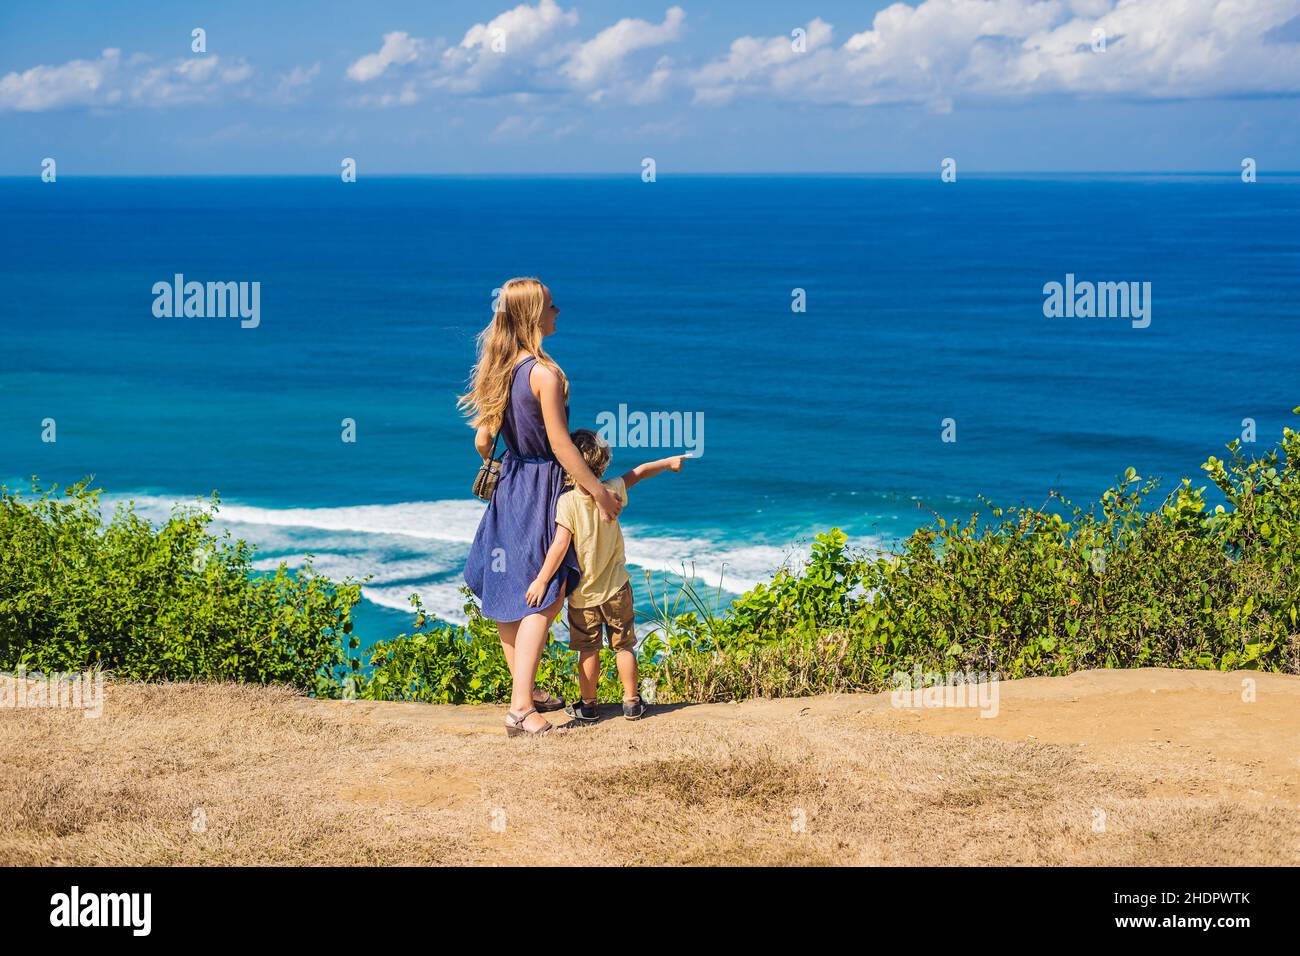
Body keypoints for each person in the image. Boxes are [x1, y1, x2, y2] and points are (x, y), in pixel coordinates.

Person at [460, 278, 623, 737]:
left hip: (512, 485)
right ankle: (519, 710)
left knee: (512, 596)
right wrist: (598, 492)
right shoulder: (544, 374)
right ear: (534, 315)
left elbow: (482, 441)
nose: (558, 311)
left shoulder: (501, 367)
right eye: (551, 306)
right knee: (544, 596)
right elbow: (561, 446)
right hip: (542, 487)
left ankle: (524, 693)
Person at [526, 428, 685, 721]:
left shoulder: (567, 502)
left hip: (583, 594)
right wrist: (668, 462)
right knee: (624, 646)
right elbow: (638, 473)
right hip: (617, 588)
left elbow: (559, 546)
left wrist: (541, 580)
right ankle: (632, 703)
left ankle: (588, 705)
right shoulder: (612, 489)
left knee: (588, 651)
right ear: (602, 462)